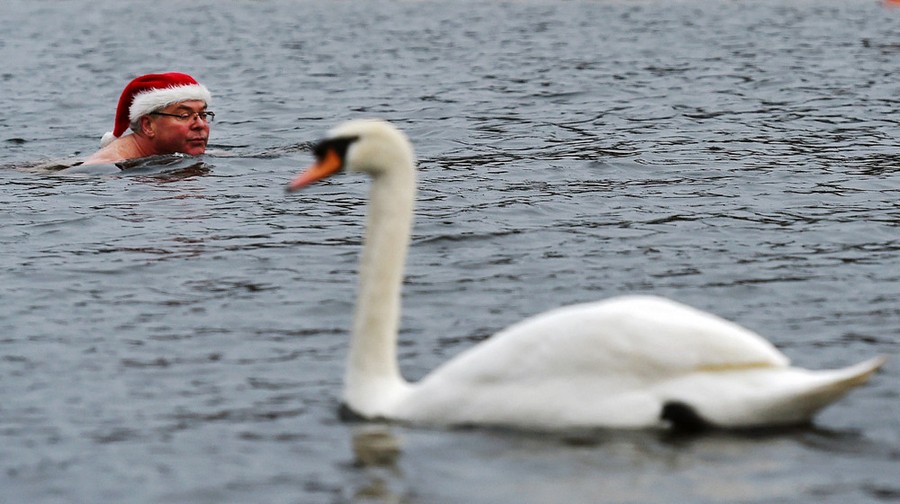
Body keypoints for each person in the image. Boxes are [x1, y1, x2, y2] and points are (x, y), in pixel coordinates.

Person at [83, 72, 213, 166]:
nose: (200, 125)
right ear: (148, 126)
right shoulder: (106, 168)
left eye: (203, 115)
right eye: (184, 115)